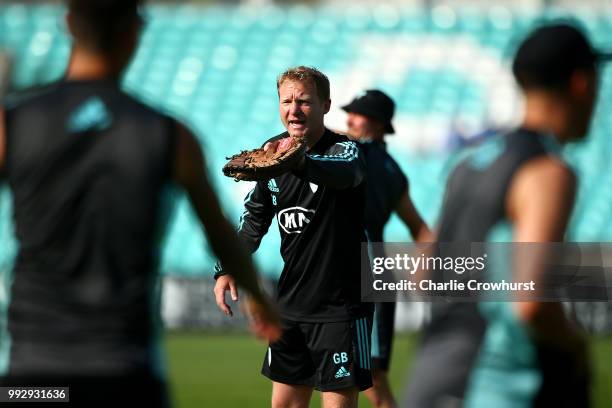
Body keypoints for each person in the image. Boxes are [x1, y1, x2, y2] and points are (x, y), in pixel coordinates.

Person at [0, 1, 279, 407]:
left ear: (68, 24)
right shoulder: (170, 135)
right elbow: (219, 234)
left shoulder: (13, 124)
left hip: (36, 376)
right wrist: (260, 298)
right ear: (135, 32)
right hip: (125, 373)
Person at [404, 22, 607, 407]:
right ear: (581, 84)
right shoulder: (548, 171)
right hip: (490, 387)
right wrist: (575, 346)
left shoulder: (469, 163)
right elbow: (530, 302)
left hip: (431, 377)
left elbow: (424, 273)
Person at [214, 66, 373, 408]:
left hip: (341, 309)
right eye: (286, 101)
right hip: (290, 307)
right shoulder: (272, 154)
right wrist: (226, 268)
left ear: (325, 105)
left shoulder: (346, 151)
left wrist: (296, 162)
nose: (294, 109)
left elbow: (344, 175)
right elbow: (254, 220)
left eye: (304, 101)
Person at [341, 90, 430, 408]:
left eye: (357, 113)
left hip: (366, 276)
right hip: (362, 274)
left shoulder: (351, 153)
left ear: (378, 123)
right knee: (353, 375)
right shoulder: (393, 170)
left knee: (371, 379)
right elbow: (422, 230)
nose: (349, 119)